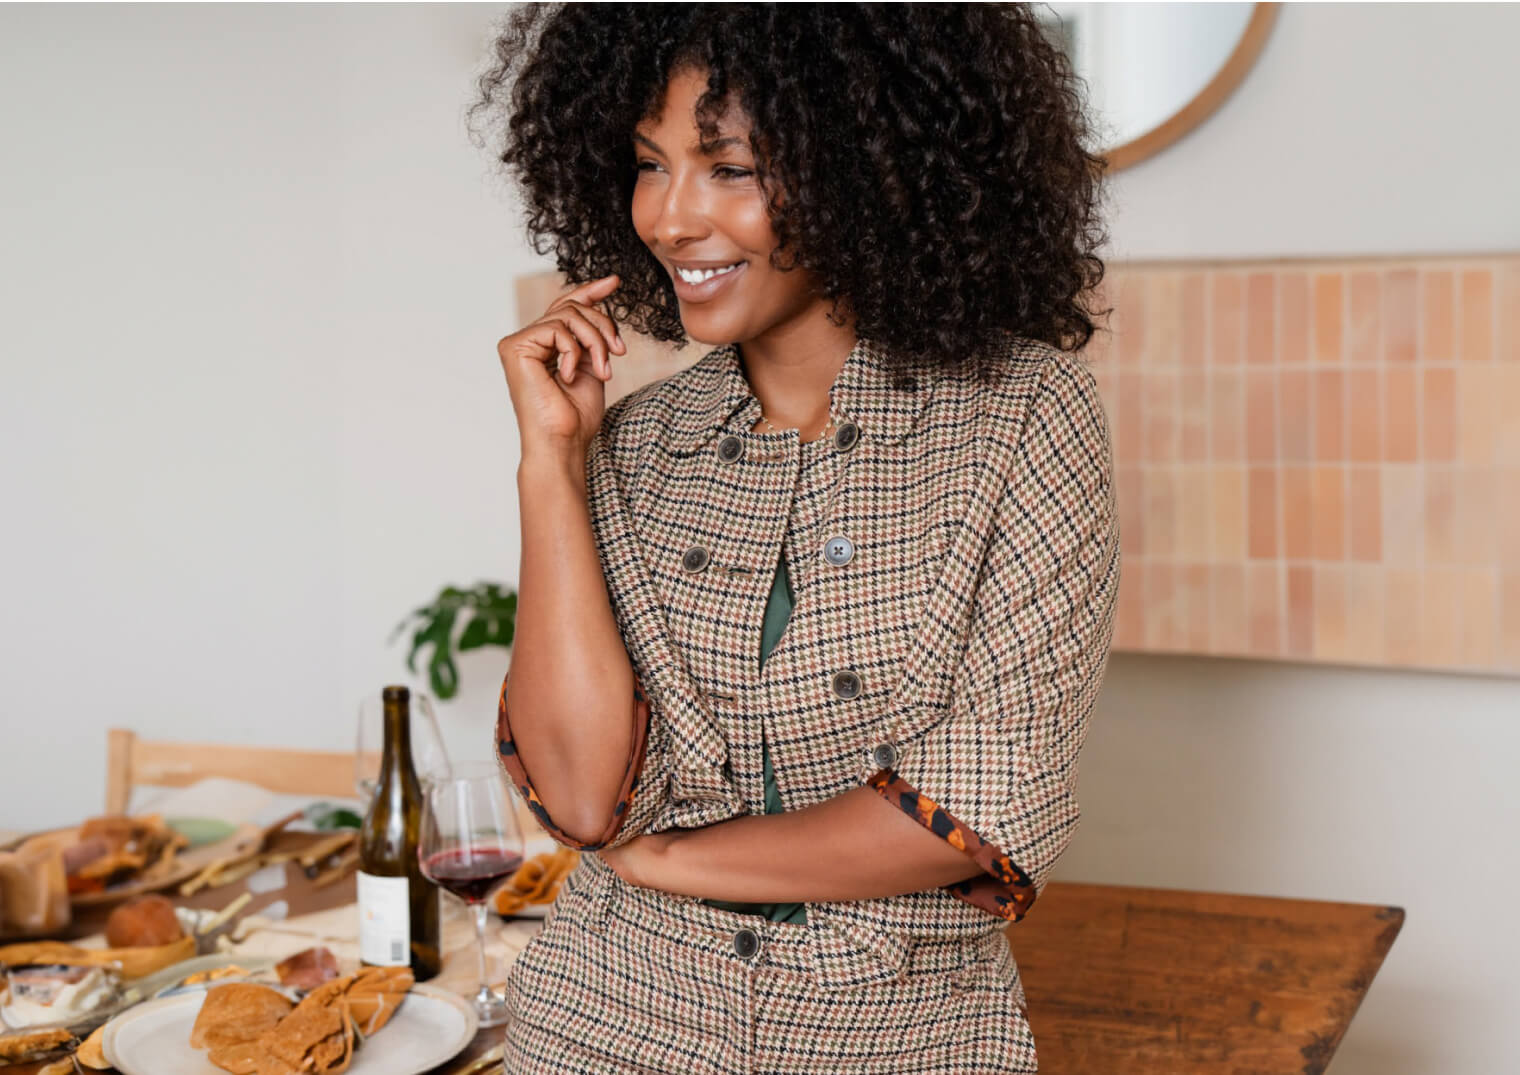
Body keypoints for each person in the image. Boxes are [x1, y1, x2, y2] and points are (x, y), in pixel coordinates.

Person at [472, 5, 1119, 1071]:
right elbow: (583, 798)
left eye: (727, 167)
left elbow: (983, 809)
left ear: (865, 167)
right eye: (648, 164)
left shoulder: (1021, 417)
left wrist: (664, 859)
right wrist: (553, 463)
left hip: (892, 1034)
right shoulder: (633, 442)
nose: (671, 218)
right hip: (602, 1021)